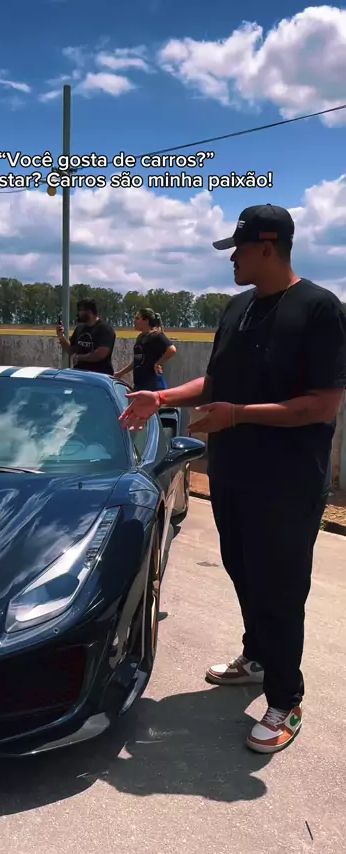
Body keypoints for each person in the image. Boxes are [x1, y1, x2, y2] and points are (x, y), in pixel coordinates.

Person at [118, 204, 346, 754]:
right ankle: (258, 656)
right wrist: (161, 398)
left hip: (288, 482)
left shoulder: (320, 310)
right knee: (243, 570)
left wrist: (239, 415)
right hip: (234, 473)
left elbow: (323, 403)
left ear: (268, 247)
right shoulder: (238, 307)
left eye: (238, 250)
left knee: (280, 588)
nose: (231, 260)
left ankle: (286, 699)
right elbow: (217, 381)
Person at [114, 308, 177, 391]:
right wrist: (120, 373)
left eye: (137, 318)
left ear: (146, 321)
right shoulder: (140, 337)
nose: (134, 321)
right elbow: (137, 361)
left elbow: (172, 350)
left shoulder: (156, 336)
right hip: (139, 384)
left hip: (152, 385)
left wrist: (158, 363)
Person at [56, 298, 116, 375]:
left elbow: (101, 354)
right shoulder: (80, 328)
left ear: (89, 311)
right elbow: (71, 349)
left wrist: (79, 357)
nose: (78, 313)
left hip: (99, 376)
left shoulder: (105, 329)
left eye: (80, 310)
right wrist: (61, 337)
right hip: (79, 374)